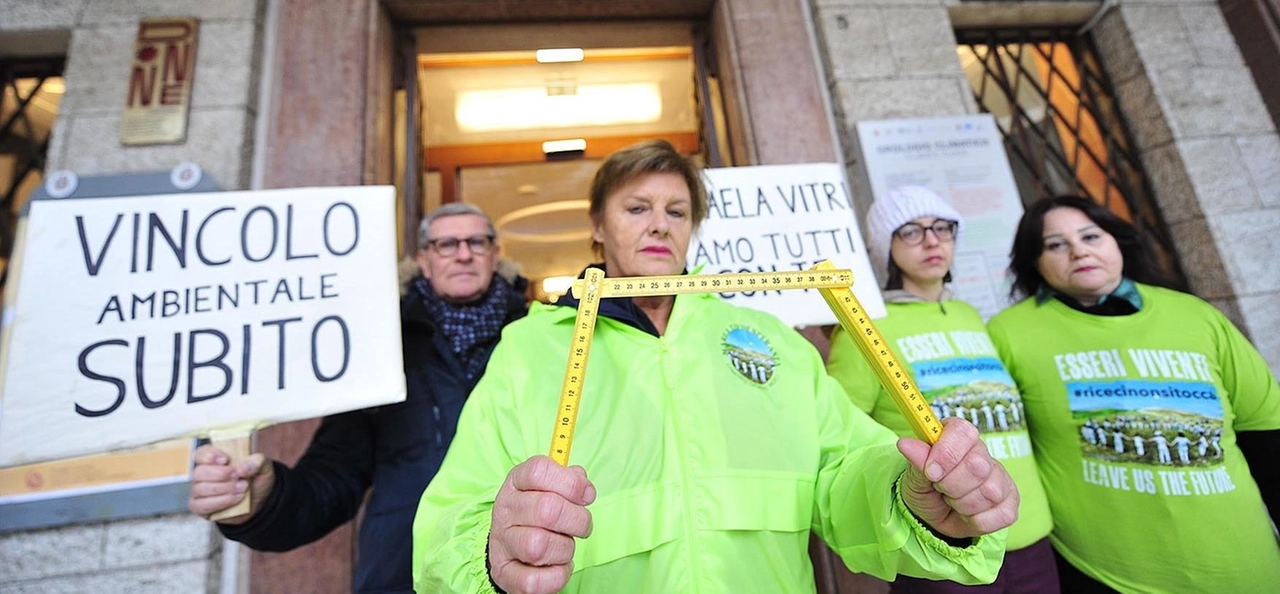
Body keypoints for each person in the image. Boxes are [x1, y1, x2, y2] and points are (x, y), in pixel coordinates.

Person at [412, 140, 1018, 594]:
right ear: (598, 225)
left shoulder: (771, 341)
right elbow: (450, 519)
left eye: (677, 211)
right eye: (637, 207)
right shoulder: (531, 349)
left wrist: (914, 499)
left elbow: (844, 473)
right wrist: (492, 554)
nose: (658, 223)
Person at [188, 202, 528, 594]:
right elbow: (334, 476)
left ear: (495, 253)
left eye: (477, 242)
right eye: (446, 244)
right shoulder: (378, 345)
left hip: (530, 565)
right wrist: (265, 500)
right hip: (406, 575)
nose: (464, 254)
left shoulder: (539, 334)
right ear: (424, 259)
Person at [986, 194, 1280, 593]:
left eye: (1091, 236)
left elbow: (1265, 436)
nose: (1078, 251)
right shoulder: (1008, 333)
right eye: (1055, 244)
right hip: (1102, 575)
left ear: (1117, 242)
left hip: (1246, 568)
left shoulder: (1197, 316)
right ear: (1033, 261)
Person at [826, 185, 1058, 594]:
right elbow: (840, 437)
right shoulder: (864, 328)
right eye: (911, 232)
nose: (932, 240)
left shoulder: (971, 315)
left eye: (942, 228)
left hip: (1030, 533)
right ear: (886, 249)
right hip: (941, 545)